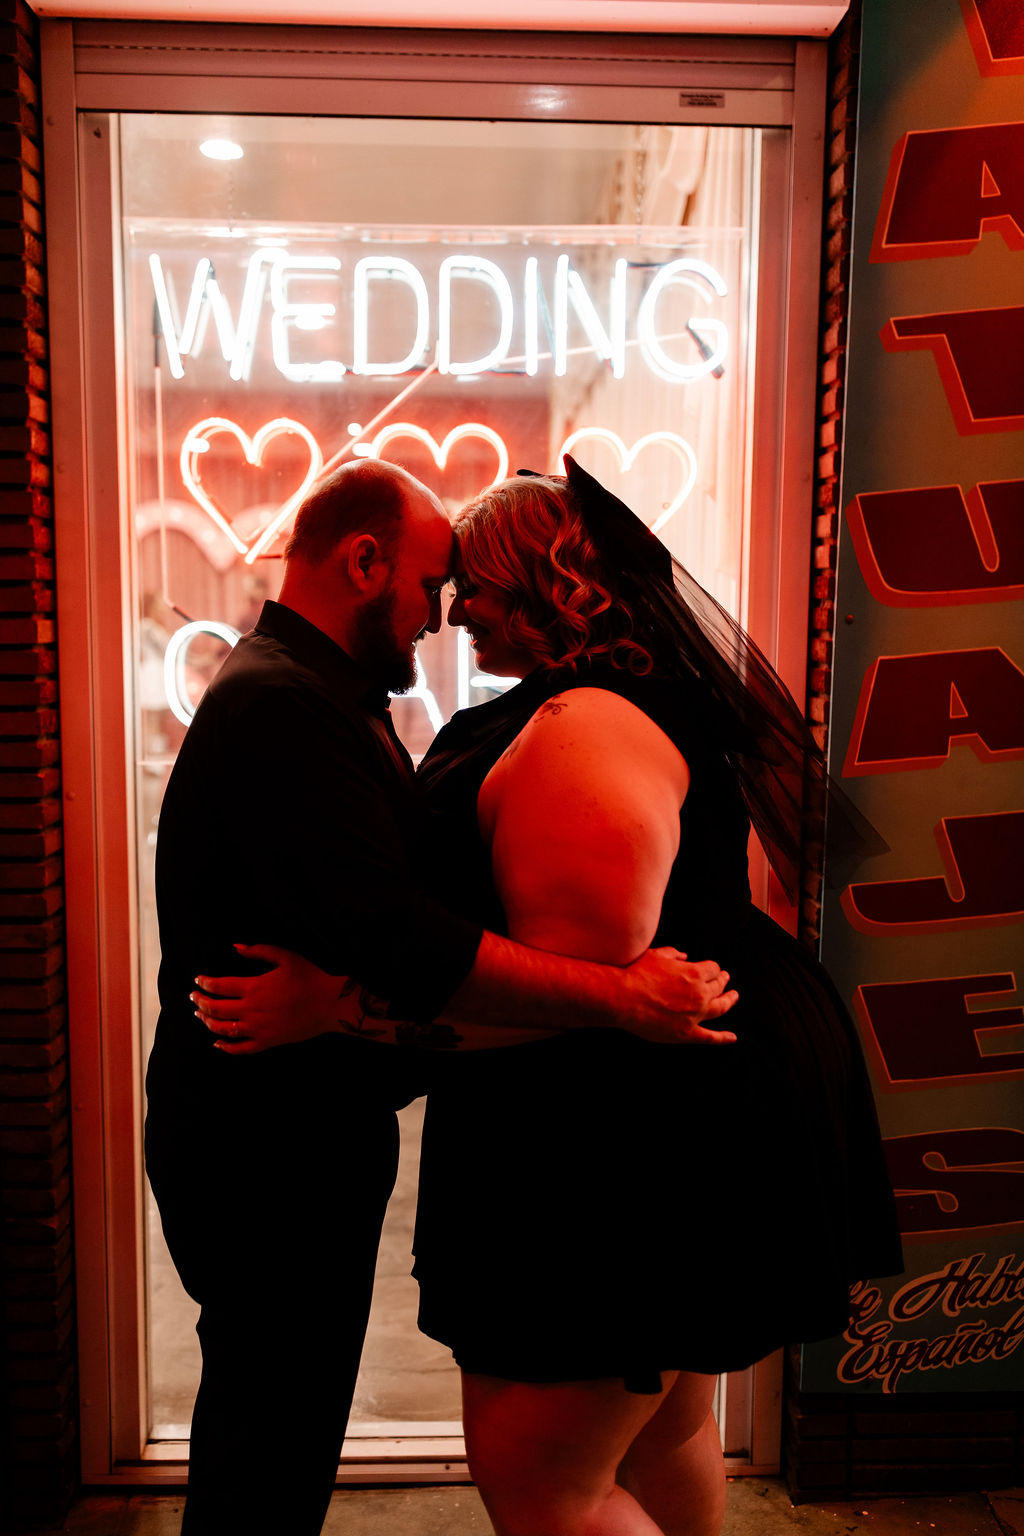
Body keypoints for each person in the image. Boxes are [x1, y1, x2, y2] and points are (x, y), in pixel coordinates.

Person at [196, 459, 903, 1536]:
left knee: (542, 1481)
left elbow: (582, 993)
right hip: (658, 1102)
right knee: (659, 1428)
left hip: (619, 1133)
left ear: (542, 586)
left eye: (471, 585)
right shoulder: (597, 706)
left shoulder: (581, 726)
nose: (454, 613)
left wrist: (337, 1010)